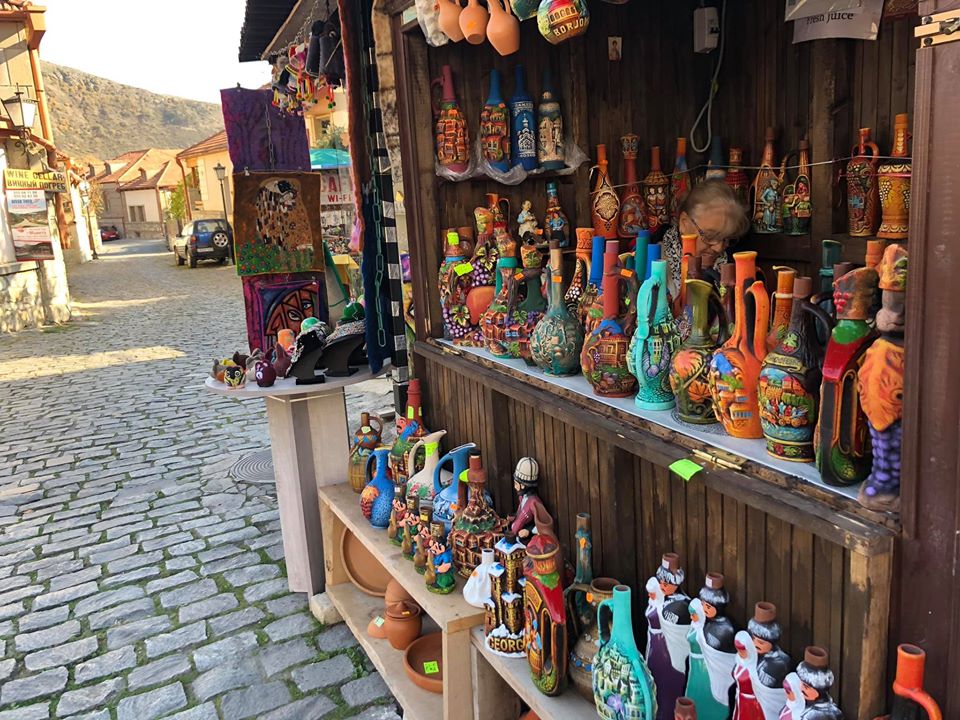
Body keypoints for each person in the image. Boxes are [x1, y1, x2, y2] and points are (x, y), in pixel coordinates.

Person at [662, 179, 750, 301]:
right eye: (710, 236)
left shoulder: (734, 266)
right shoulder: (652, 261)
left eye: (726, 238)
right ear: (684, 223)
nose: (718, 248)